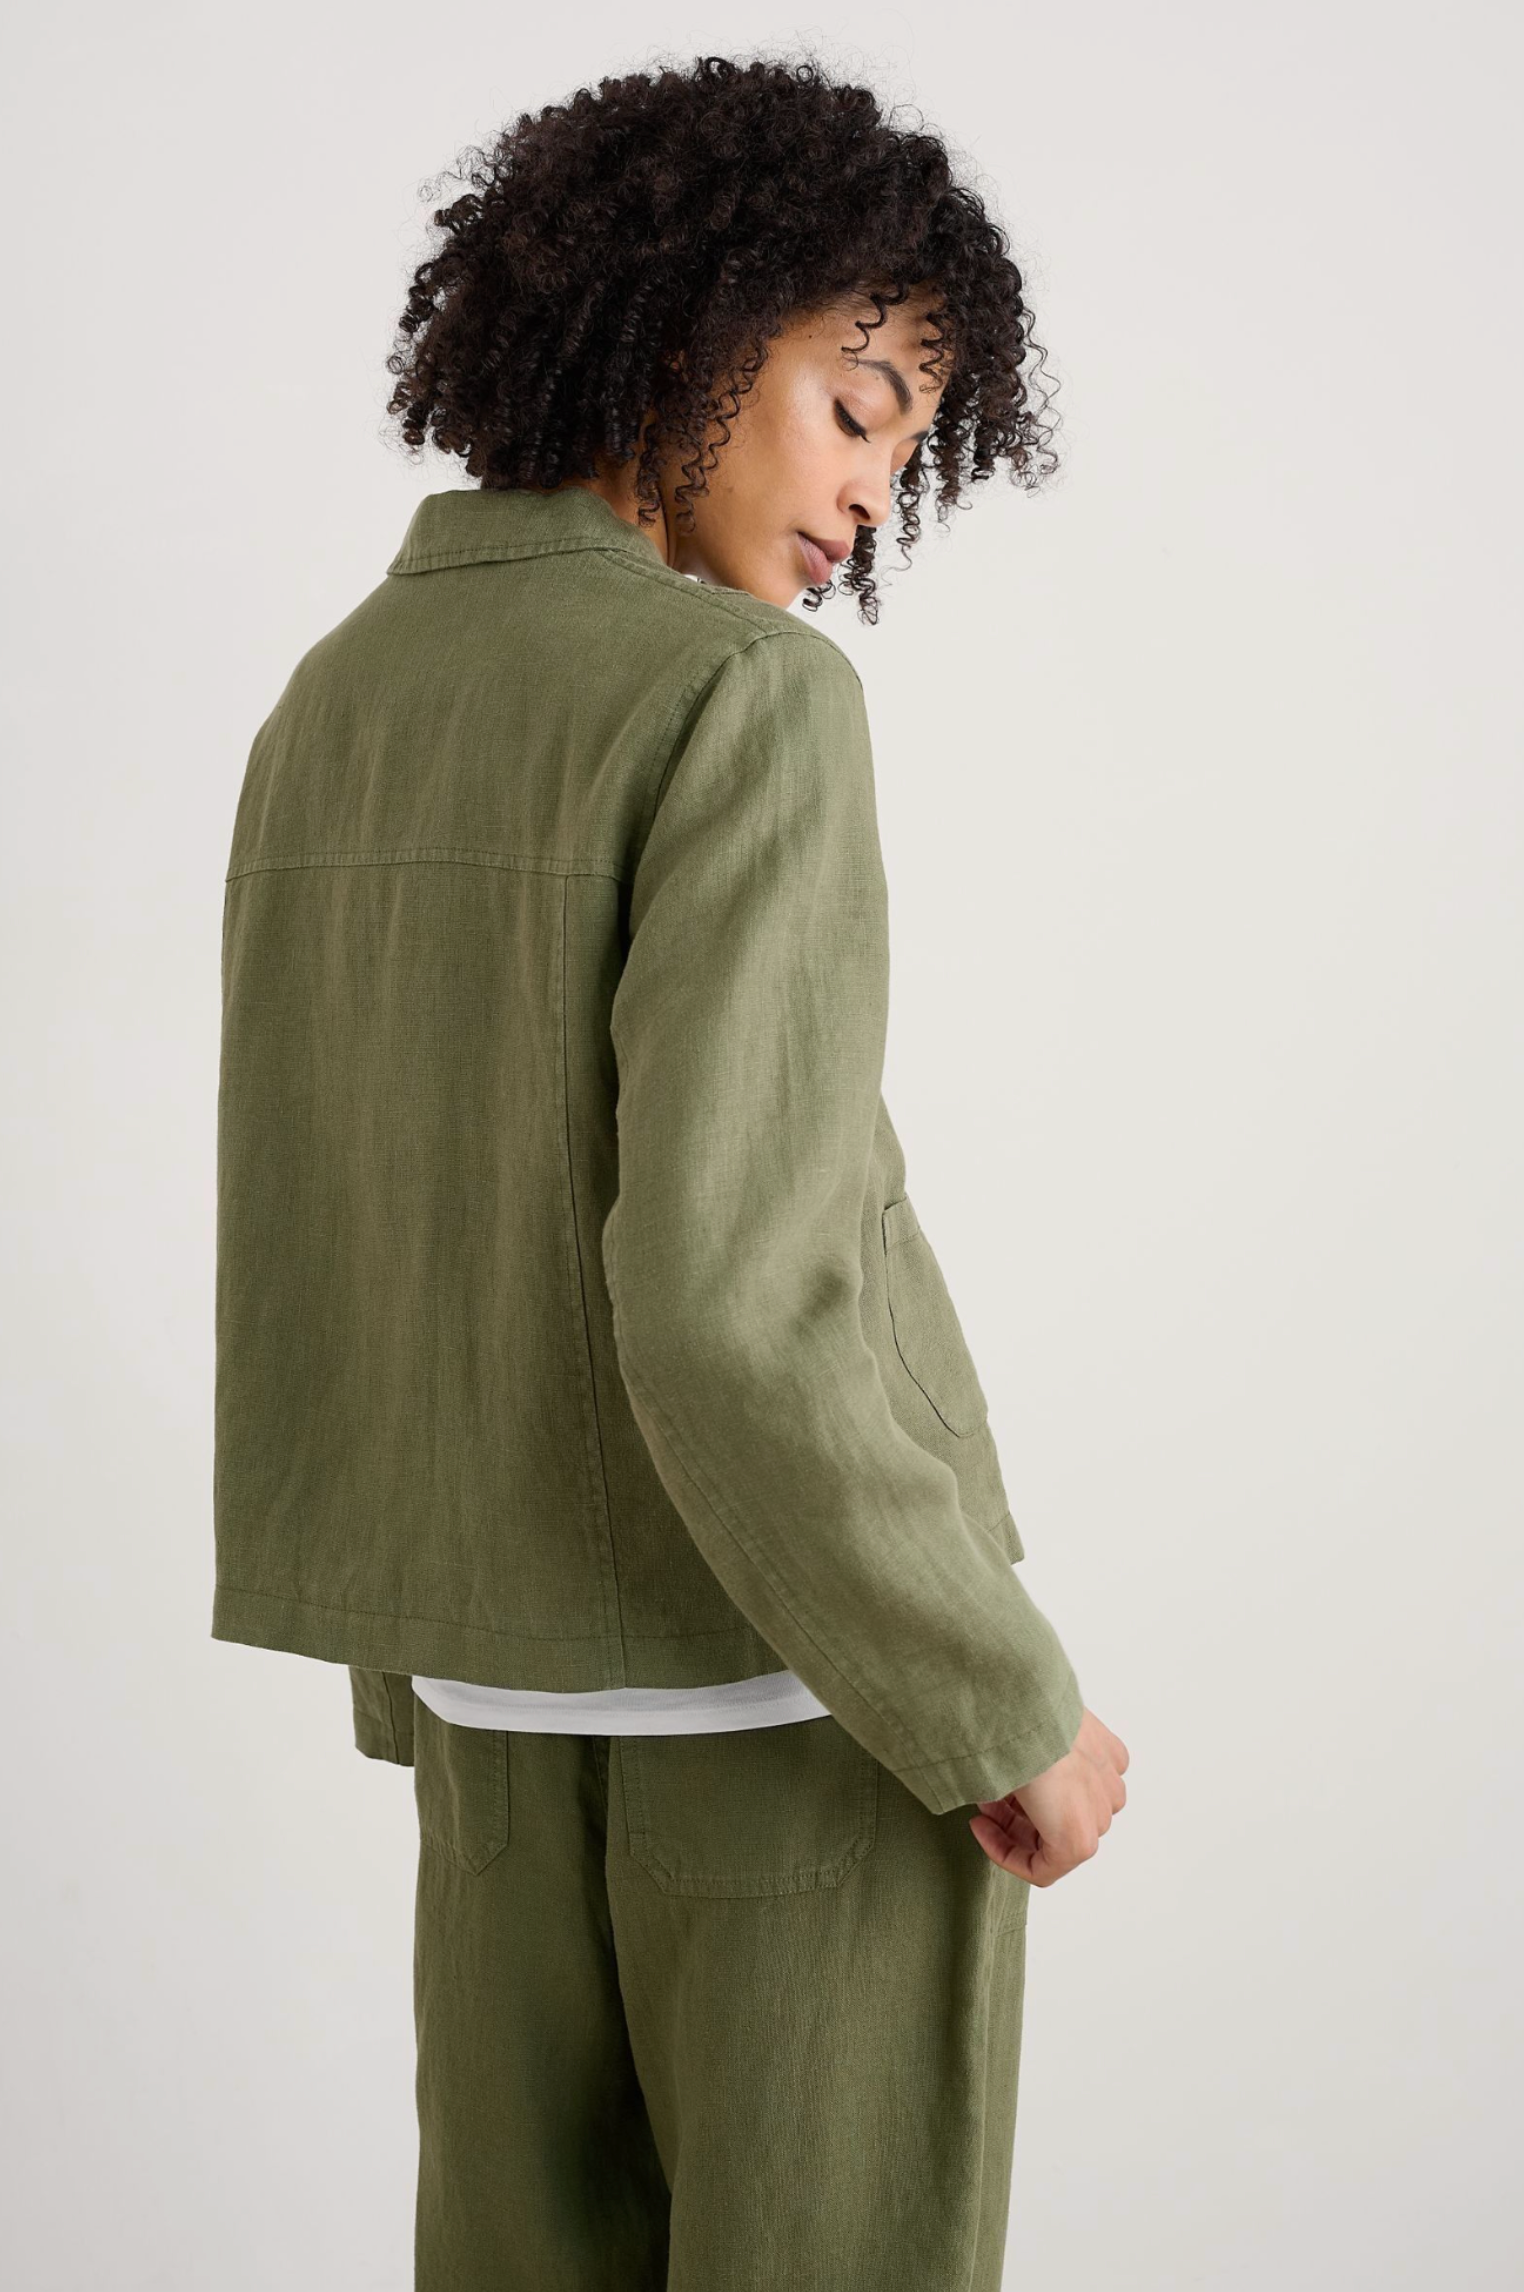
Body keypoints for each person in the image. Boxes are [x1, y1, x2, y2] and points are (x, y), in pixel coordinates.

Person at [212, 50, 1129, 2291]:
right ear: (695, 329)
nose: (872, 496)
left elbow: (352, 1226)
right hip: (796, 1707)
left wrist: (427, 1660)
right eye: (858, 403)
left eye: (907, 448)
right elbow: (737, 1299)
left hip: (496, 1714)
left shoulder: (336, 699)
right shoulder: (744, 698)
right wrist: (989, 1694)